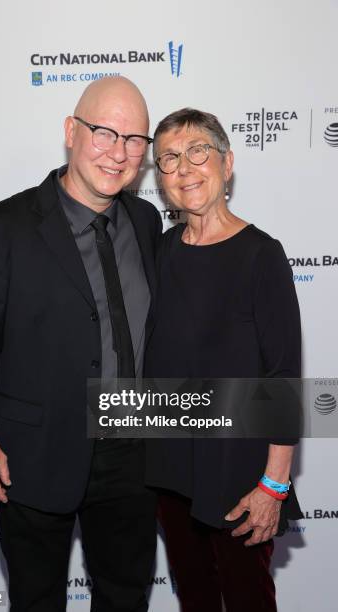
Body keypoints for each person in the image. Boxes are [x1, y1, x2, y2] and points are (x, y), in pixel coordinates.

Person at [0, 76, 162, 612]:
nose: (120, 153)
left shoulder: (147, 219)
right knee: (37, 600)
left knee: (125, 597)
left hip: (134, 452)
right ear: (71, 130)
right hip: (34, 455)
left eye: (136, 140)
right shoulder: (2, 227)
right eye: (105, 132)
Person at [145, 108, 302, 612]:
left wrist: (273, 486)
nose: (185, 169)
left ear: (227, 163)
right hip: (171, 470)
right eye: (169, 158)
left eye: (198, 152)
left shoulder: (262, 256)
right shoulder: (163, 251)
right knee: (195, 600)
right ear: (159, 176)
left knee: (247, 599)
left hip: (239, 474)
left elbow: (283, 380)